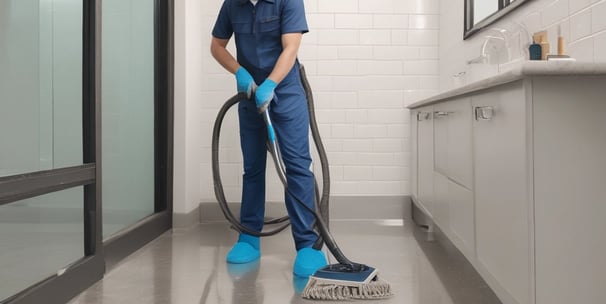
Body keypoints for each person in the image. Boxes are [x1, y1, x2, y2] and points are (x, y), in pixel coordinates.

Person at [210, 0, 327, 278]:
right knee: (252, 168)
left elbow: (291, 47)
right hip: (250, 93)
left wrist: (271, 83)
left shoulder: (288, 1)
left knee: (297, 166)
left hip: (285, 91)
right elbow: (216, 46)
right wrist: (239, 71)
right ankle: (249, 237)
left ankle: (308, 244)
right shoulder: (232, 4)